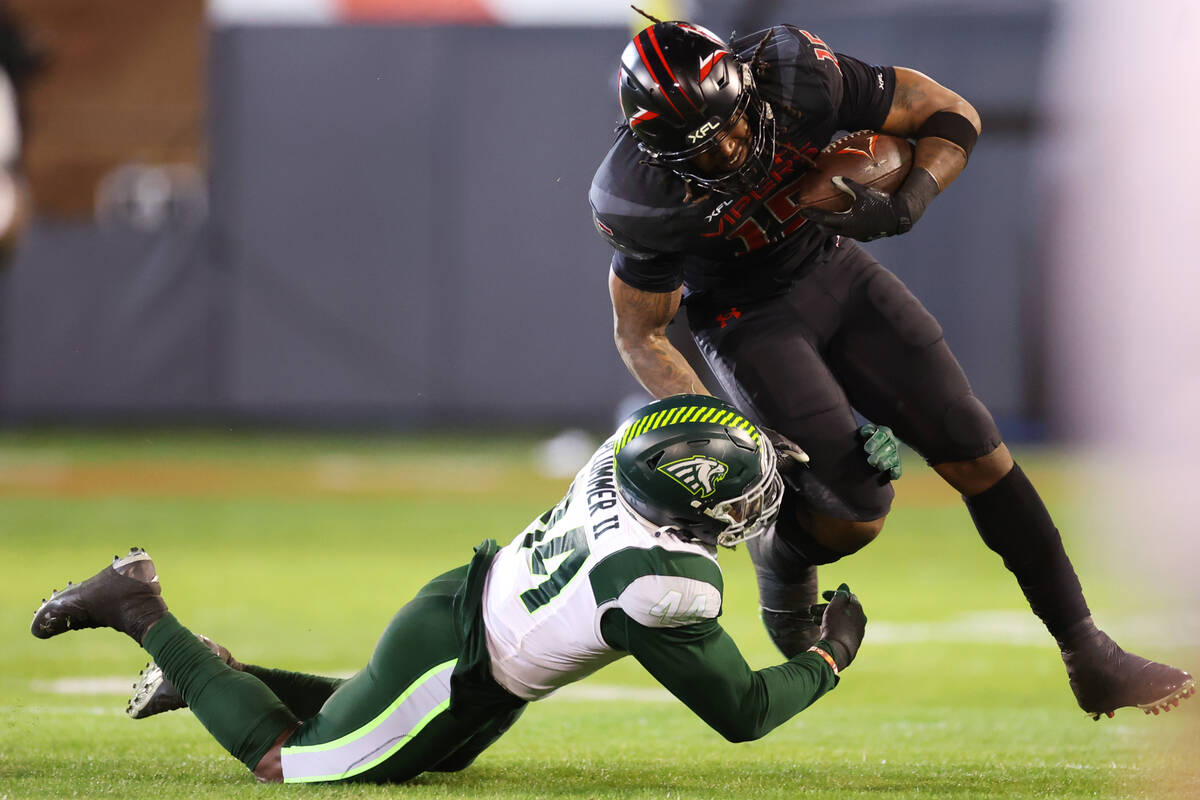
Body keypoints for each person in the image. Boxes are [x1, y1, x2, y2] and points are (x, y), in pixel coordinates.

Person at [588, 13, 1194, 719]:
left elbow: (948, 112)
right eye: (705, 146)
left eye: (732, 123)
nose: (730, 147)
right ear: (656, 152)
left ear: (746, 86)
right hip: (742, 314)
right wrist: (728, 433)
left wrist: (909, 200)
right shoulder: (638, 200)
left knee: (974, 446)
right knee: (859, 510)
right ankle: (782, 559)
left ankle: (1088, 653)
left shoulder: (794, 76)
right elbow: (642, 335)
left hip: (829, 263)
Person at [31, 394, 868, 784]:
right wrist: (829, 655)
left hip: (470, 610)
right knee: (290, 762)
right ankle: (135, 604)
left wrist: (754, 443)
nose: (751, 510)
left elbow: (681, 428)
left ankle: (204, 672)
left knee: (430, 751)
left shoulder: (625, 451)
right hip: (458, 661)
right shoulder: (661, 582)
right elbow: (743, 713)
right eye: (738, 497)